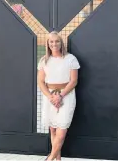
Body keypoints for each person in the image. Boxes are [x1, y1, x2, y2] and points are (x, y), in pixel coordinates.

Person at [37, 31, 80, 161]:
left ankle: (49, 159)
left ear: (61, 43)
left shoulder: (71, 59)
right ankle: (58, 159)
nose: (54, 44)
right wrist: (51, 97)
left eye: (57, 41)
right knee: (53, 130)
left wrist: (60, 96)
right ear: (47, 44)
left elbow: (73, 81)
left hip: (66, 96)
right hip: (50, 98)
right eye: (51, 41)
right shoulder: (44, 61)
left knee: (61, 132)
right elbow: (40, 81)